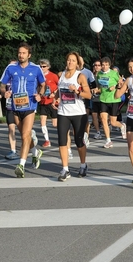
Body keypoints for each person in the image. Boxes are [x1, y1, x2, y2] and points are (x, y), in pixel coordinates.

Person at [0, 42, 46, 178]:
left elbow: (43, 85)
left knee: (25, 135)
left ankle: (21, 165)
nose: (21, 55)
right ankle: (36, 152)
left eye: (24, 53)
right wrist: (5, 92)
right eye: (19, 53)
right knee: (24, 136)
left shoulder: (36, 69)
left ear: (29, 55)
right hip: (15, 106)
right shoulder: (11, 68)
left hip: (30, 106)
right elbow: (2, 85)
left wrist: (40, 95)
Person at [52, 51, 92, 181]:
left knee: (79, 141)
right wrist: (56, 99)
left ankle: (83, 165)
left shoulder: (80, 76)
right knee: (62, 141)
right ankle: (65, 169)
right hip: (63, 112)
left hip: (78, 113)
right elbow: (59, 91)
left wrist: (77, 90)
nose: (70, 62)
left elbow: (88, 95)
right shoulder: (61, 75)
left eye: (73, 60)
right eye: (69, 60)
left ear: (77, 63)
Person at [97, 56, 127, 148]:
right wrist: (96, 90)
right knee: (103, 119)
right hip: (103, 99)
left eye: (106, 65)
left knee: (113, 122)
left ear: (109, 65)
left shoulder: (114, 73)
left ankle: (122, 126)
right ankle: (108, 140)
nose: (104, 67)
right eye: (103, 65)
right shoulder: (99, 74)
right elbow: (99, 86)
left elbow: (122, 83)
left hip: (114, 99)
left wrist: (115, 86)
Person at [38, 58, 59, 147]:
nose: (42, 68)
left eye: (44, 66)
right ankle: (47, 140)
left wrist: (54, 93)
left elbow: (60, 86)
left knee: (55, 124)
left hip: (52, 102)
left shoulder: (53, 76)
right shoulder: (38, 76)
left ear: (48, 67)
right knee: (42, 121)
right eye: (40, 66)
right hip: (43, 102)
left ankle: (64, 135)